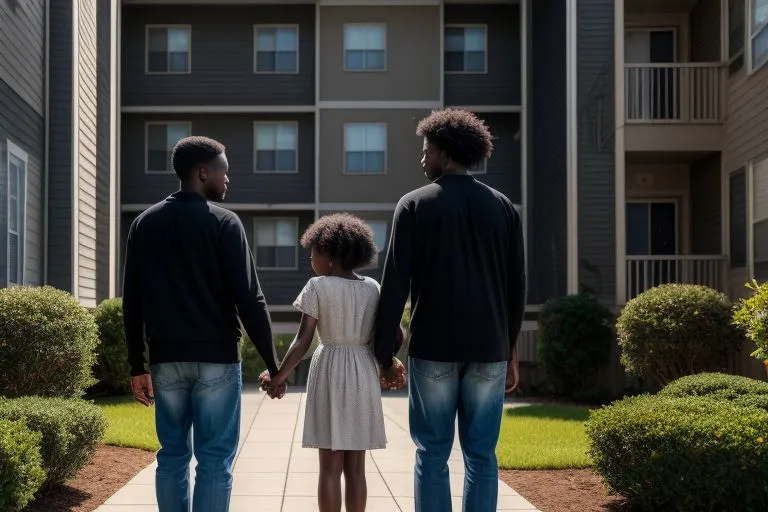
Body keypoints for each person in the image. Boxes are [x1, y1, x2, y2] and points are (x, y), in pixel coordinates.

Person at [373, 109, 527, 512]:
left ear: (445, 152)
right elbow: (517, 286)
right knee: (481, 454)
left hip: (434, 347)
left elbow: (394, 286)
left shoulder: (413, 206)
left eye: (427, 151)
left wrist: (384, 353)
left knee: (432, 453)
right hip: (489, 348)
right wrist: (511, 347)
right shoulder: (504, 208)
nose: (422, 159)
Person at [123, 136, 283, 512]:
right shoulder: (224, 223)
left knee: (172, 455)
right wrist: (275, 366)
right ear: (202, 172)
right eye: (224, 170)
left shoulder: (144, 223)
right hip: (217, 360)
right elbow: (250, 298)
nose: (228, 179)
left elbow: (134, 300)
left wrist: (136, 365)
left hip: (166, 360)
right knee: (214, 460)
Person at [260, 213, 398, 512]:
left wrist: (279, 376)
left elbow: (303, 340)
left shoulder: (318, 286)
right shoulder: (372, 288)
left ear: (331, 257)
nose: (311, 260)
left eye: (314, 254)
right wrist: (387, 363)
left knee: (330, 467)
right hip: (363, 371)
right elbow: (394, 333)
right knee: (357, 468)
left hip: (330, 370)